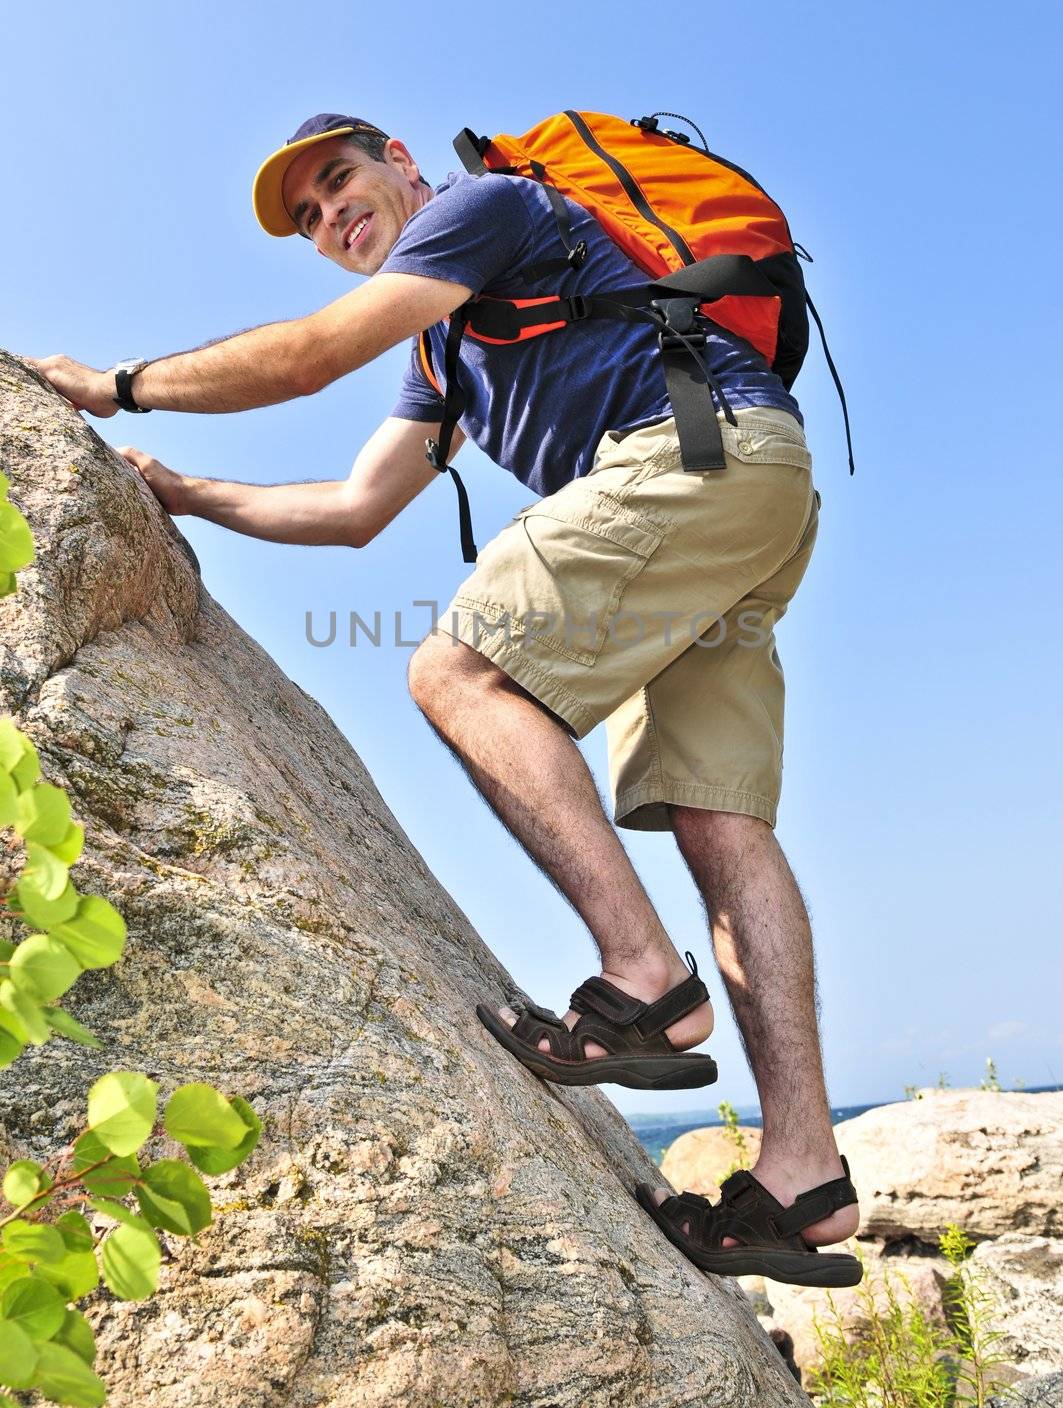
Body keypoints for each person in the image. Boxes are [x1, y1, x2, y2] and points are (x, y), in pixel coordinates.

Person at [25, 111, 861, 1286]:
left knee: (456, 671)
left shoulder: (489, 210)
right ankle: (801, 1177)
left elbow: (313, 353)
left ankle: (643, 981)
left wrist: (119, 386)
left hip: (681, 456)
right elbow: (356, 508)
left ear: (401, 163)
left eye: (339, 183)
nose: (331, 219)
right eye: (309, 220)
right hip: (746, 481)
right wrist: (183, 491)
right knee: (720, 820)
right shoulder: (445, 355)